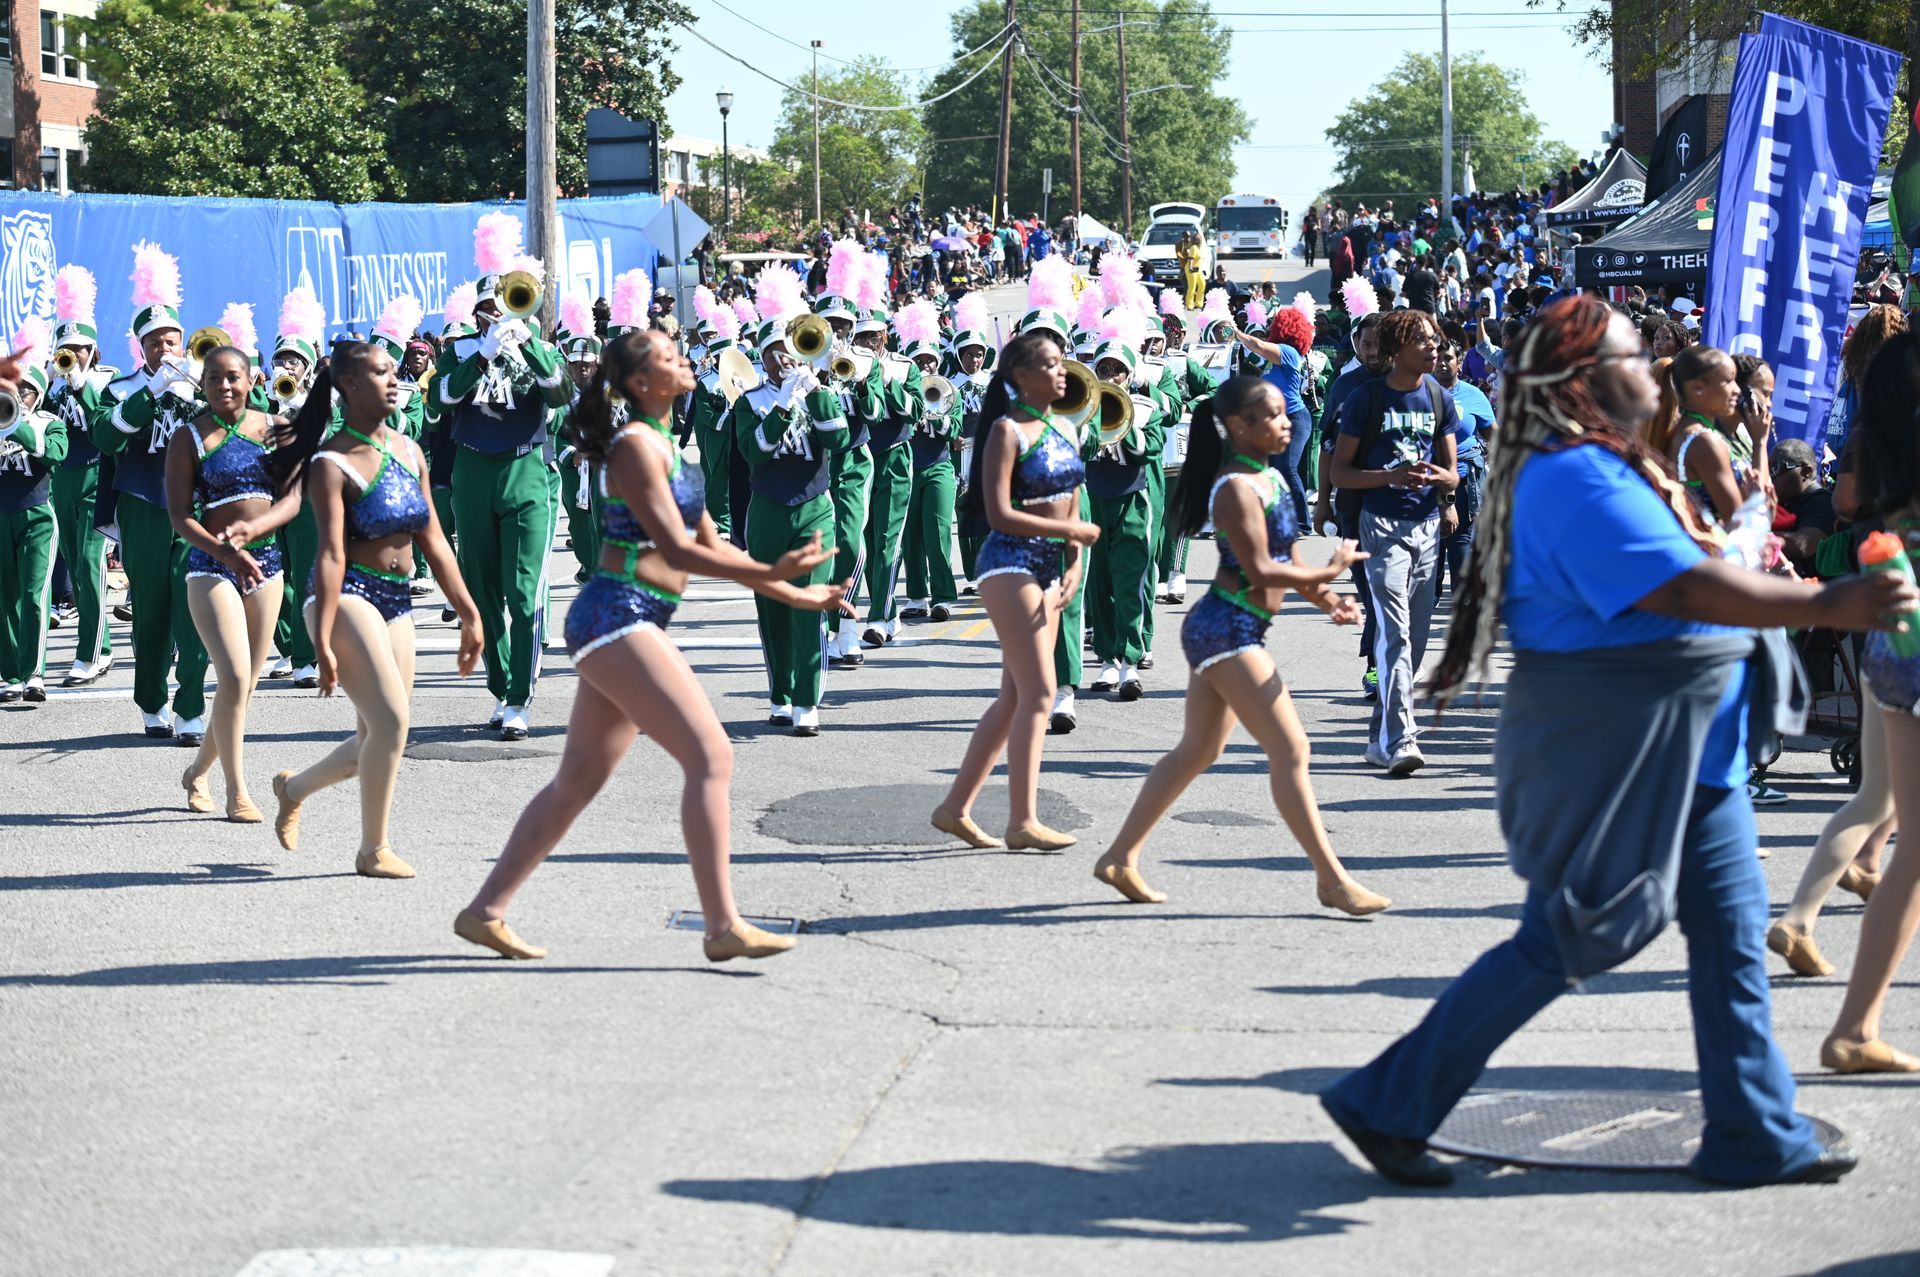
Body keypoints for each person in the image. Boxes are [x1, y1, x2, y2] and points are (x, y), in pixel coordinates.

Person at [1321, 294, 1902, 1189]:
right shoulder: (1575, 479)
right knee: (1584, 930)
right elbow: (1682, 590)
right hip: (1624, 751)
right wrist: (1830, 603)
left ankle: (1752, 1128)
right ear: (1582, 382)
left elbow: (1706, 566)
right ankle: (1389, 1098)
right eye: (1633, 360)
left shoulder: (1620, 465)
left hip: (1694, 751)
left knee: (1732, 929)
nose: (1652, 374)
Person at [457, 331, 844, 962]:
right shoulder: (636, 445)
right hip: (617, 614)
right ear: (641, 383)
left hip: (630, 619)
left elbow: (710, 543)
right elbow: (676, 548)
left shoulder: (670, 446)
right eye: (669, 356)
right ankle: (722, 926)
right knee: (711, 757)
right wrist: (774, 574)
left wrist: (794, 594)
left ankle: (484, 911)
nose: (684, 360)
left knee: (576, 780)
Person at [1092, 375, 1389, 915]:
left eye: (1284, 413)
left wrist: (1328, 598)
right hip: (1224, 628)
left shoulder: (1271, 478)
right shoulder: (1234, 489)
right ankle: (1332, 879)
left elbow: (1287, 558)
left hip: (1235, 627)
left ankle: (1119, 857)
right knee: (1292, 749)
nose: (1287, 423)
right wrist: (1327, 571)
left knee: (1198, 752)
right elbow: (1259, 569)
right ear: (1237, 426)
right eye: (1272, 415)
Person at [269, 341, 483, 878]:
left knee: (377, 734)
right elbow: (330, 553)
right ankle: (373, 850)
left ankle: (294, 789)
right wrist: (320, 639)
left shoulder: (410, 451)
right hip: (345, 595)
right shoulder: (329, 462)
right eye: (380, 373)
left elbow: (434, 539)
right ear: (349, 387)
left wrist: (469, 612)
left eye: (393, 371)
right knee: (391, 721)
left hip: (396, 597)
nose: (393, 381)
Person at [932, 332, 1100, 849]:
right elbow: (999, 512)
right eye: (1050, 365)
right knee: (1040, 693)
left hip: (1050, 567)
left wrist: (1074, 561)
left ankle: (954, 809)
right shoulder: (1006, 431)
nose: (1062, 372)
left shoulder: (1065, 426)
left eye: (1062, 362)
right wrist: (1069, 532)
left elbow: (1072, 495)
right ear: (1021, 376)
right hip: (1009, 562)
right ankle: (1022, 821)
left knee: (1012, 697)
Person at [430, 236, 575, 742]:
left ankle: (519, 697)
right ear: (476, 314)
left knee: (523, 588)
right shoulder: (459, 351)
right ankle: (500, 686)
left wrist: (526, 345)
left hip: (526, 469)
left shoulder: (542, 349)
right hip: (473, 471)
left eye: (505, 306)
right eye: (488, 309)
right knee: (482, 591)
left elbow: (562, 393)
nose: (497, 315)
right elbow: (441, 401)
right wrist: (481, 355)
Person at [1821, 329, 1920, 1073]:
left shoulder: (1885, 453)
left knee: (1911, 848)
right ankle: (1854, 1027)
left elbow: (1848, 503)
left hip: (1896, 645)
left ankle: (1856, 1025)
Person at [165, 347, 301, 820]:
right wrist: (227, 551)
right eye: (214, 378)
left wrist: (256, 531)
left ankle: (196, 772)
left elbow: (292, 500)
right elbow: (179, 514)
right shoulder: (188, 436)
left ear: (251, 380)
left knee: (243, 688)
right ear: (202, 384)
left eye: (233, 377)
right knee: (235, 677)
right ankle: (237, 791)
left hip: (266, 565)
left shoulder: (277, 428)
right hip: (212, 564)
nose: (224, 385)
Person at [1330, 309, 1458, 775]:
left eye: (1435, 340)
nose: (1433, 347)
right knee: (1395, 633)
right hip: (1380, 526)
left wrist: (1442, 485)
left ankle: (1378, 736)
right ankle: (1402, 740)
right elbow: (1340, 472)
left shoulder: (1439, 397)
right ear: (1396, 349)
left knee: (1416, 640)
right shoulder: (1365, 398)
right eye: (1422, 340)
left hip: (1427, 528)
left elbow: (1453, 472)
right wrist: (1390, 476)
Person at [91, 242, 210, 743]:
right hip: (143, 507)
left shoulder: (203, 382)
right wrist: (153, 391)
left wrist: (201, 391)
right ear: (141, 347)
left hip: (197, 508)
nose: (166, 349)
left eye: (172, 340)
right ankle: (152, 702)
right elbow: (105, 436)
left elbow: (246, 421)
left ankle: (190, 710)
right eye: (155, 342)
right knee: (151, 611)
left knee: (196, 608)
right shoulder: (121, 388)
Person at [727, 313, 849, 736]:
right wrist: (780, 404)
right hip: (767, 510)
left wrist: (814, 393)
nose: (783, 359)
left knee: (809, 604)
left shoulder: (818, 391)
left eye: (789, 350)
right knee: (773, 608)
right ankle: (781, 694)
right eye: (774, 352)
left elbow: (839, 438)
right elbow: (755, 452)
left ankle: (806, 701)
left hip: (814, 508)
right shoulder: (750, 402)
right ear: (762, 357)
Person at [43, 265, 114, 687]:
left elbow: (105, 423)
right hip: (62, 484)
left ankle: (94, 652)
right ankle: (97, 644)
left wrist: (79, 383)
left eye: (80, 349)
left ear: (93, 350)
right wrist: (45, 381)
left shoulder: (106, 381)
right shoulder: (52, 387)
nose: (73, 355)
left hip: (95, 480)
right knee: (75, 568)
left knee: (90, 565)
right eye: (66, 349)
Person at [0, 361, 66, 703]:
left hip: (37, 516)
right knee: (4, 597)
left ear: (37, 396)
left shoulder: (49, 422)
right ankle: (10, 675)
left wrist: (16, 425)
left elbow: (55, 453)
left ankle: (34, 673)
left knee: (34, 594)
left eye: (23, 390)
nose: (17, 394)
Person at [1433, 340, 1493, 597]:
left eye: (1448, 358)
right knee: (1431, 544)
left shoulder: (1473, 396)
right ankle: (1430, 596)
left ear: (1460, 362)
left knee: (1460, 541)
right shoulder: (1418, 392)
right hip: (1426, 480)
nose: (1442, 363)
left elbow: (1494, 434)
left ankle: (1461, 601)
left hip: (1464, 481)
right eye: (1437, 357)